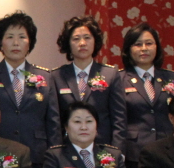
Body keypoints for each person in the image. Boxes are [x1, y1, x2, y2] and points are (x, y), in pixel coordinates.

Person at [0, 11, 59, 168]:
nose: (15, 43)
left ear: (30, 43)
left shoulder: (45, 77)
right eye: (10, 37)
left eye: (22, 37)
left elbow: (53, 123)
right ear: (1, 43)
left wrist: (55, 157)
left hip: (36, 154)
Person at [120, 22, 174, 168]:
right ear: (129, 49)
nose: (144, 48)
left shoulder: (171, 77)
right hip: (135, 152)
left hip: (169, 150)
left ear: (157, 47)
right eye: (138, 44)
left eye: (149, 43)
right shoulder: (119, 79)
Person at [49, 16, 125, 148]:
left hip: (103, 148)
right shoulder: (56, 76)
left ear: (95, 41)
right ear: (68, 43)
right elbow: (54, 120)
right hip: (67, 149)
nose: (82, 43)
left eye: (87, 37)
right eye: (76, 39)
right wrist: (56, 152)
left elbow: (119, 119)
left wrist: (117, 152)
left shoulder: (110, 74)